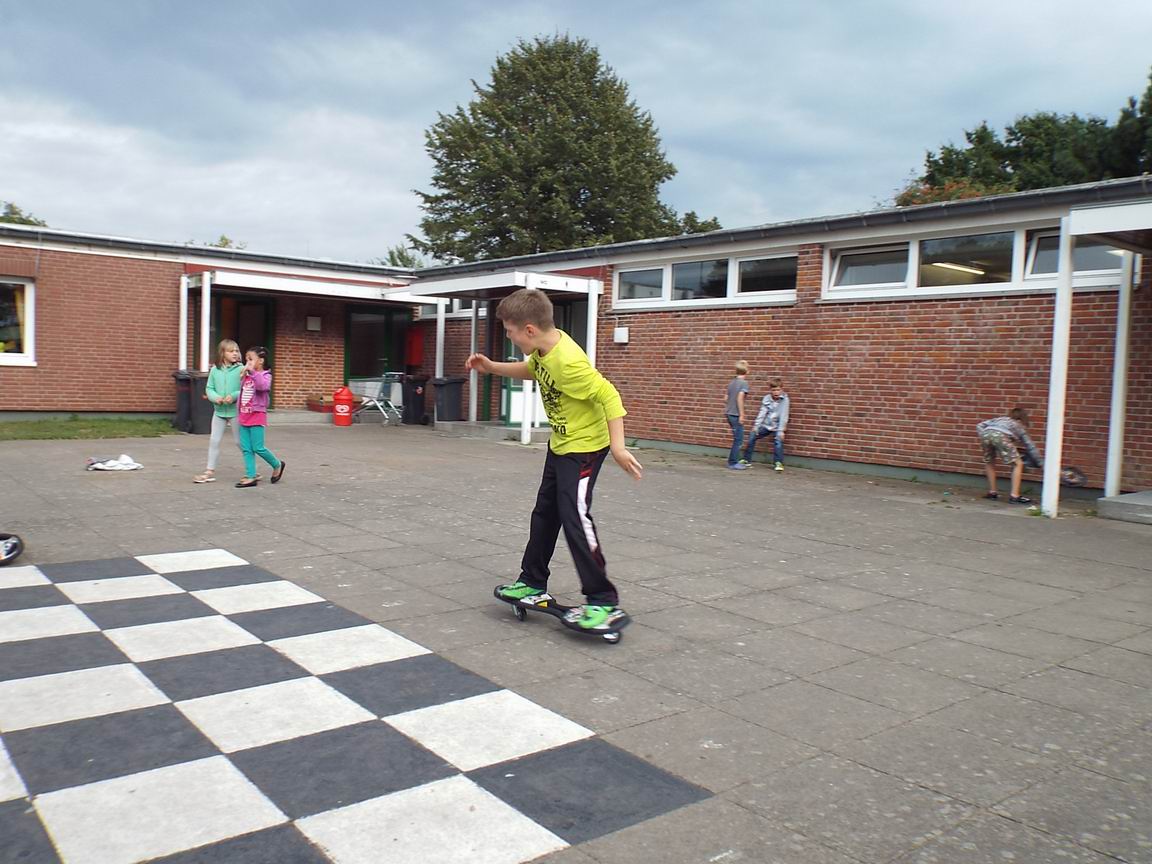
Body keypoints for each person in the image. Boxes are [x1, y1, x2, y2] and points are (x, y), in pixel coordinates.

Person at [465, 288, 642, 631]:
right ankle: (532, 581)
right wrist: (491, 367)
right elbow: (532, 370)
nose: (509, 337)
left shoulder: (569, 362)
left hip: (585, 448)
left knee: (575, 517)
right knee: (545, 513)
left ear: (529, 329)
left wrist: (619, 448)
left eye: (510, 332)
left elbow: (609, 395)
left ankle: (603, 600)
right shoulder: (543, 349)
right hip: (561, 444)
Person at [194, 339, 244, 483]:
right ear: (222, 353)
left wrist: (233, 396)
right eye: (231, 351)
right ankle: (209, 470)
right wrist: (216, 398)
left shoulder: (241, 369)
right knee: (214, 441)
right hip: (219, 412)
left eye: (236, 351)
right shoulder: (214, 370)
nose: (235, 353)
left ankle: (252, 469)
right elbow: (209, 388)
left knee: (240, 442)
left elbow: (245, 389)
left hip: (235, 412)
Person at [235, 346, 285, 489]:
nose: (248, 363)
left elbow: (262, 387)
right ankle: (250, 476)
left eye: (251, 359)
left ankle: (277, 464)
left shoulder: (265, 375)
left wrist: (252, 372)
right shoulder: (247, 376)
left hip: (257, 415)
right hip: (244, 415)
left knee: (258, 447)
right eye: (246, 360)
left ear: (261, 361)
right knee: (246, 448)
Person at [977, 407, 1041, 504]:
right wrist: (1039, 462)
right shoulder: (1019, 425)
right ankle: (1014, 496)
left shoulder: (1000, 419)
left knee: (989, 462)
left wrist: (985, 435)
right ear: (1023, 418)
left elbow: (979, 425)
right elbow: (1030, 446)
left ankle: (992, 492)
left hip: (986, 434)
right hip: (1000, 436)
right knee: (1018, 464)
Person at [742, 376, 790, 471]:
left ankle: (778, 462)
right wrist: (756, 426)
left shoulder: (785, 400)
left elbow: (784, 415)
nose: (776, 392)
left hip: (778, 426)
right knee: (752, 435)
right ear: (770, 390)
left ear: (781, 389)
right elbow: (762, 413)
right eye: (774, 390)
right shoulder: (767, 398)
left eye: (778, 390)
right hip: (767, 425)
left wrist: (781, 431)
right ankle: (746, 459)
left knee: (778, 441)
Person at [725, 360, 750, 470]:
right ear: (747, 371)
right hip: (735, 414)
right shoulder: (744, 383)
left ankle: (733, 460)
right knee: (739, 440)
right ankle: (733, 462)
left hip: (728, 413)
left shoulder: (732, 382)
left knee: (736, 438)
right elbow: (740, 398)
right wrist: (742, 414)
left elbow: (725, 398)